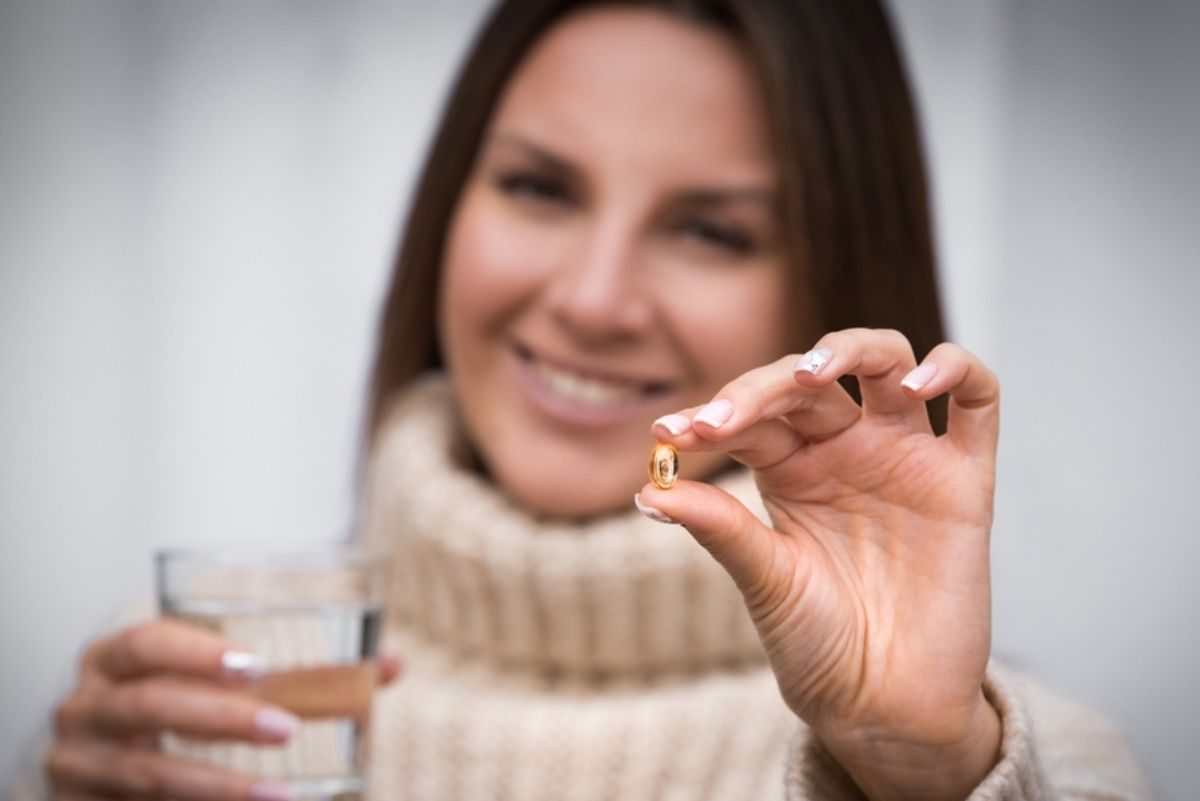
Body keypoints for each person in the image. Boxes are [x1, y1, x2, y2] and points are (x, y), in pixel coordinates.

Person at [22, 1, 1154, 800]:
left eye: (710, 231)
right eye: (538, 187)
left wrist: (915, 772)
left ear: (837, 286)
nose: (594, 299)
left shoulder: (1008, 763)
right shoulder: (188, 705)